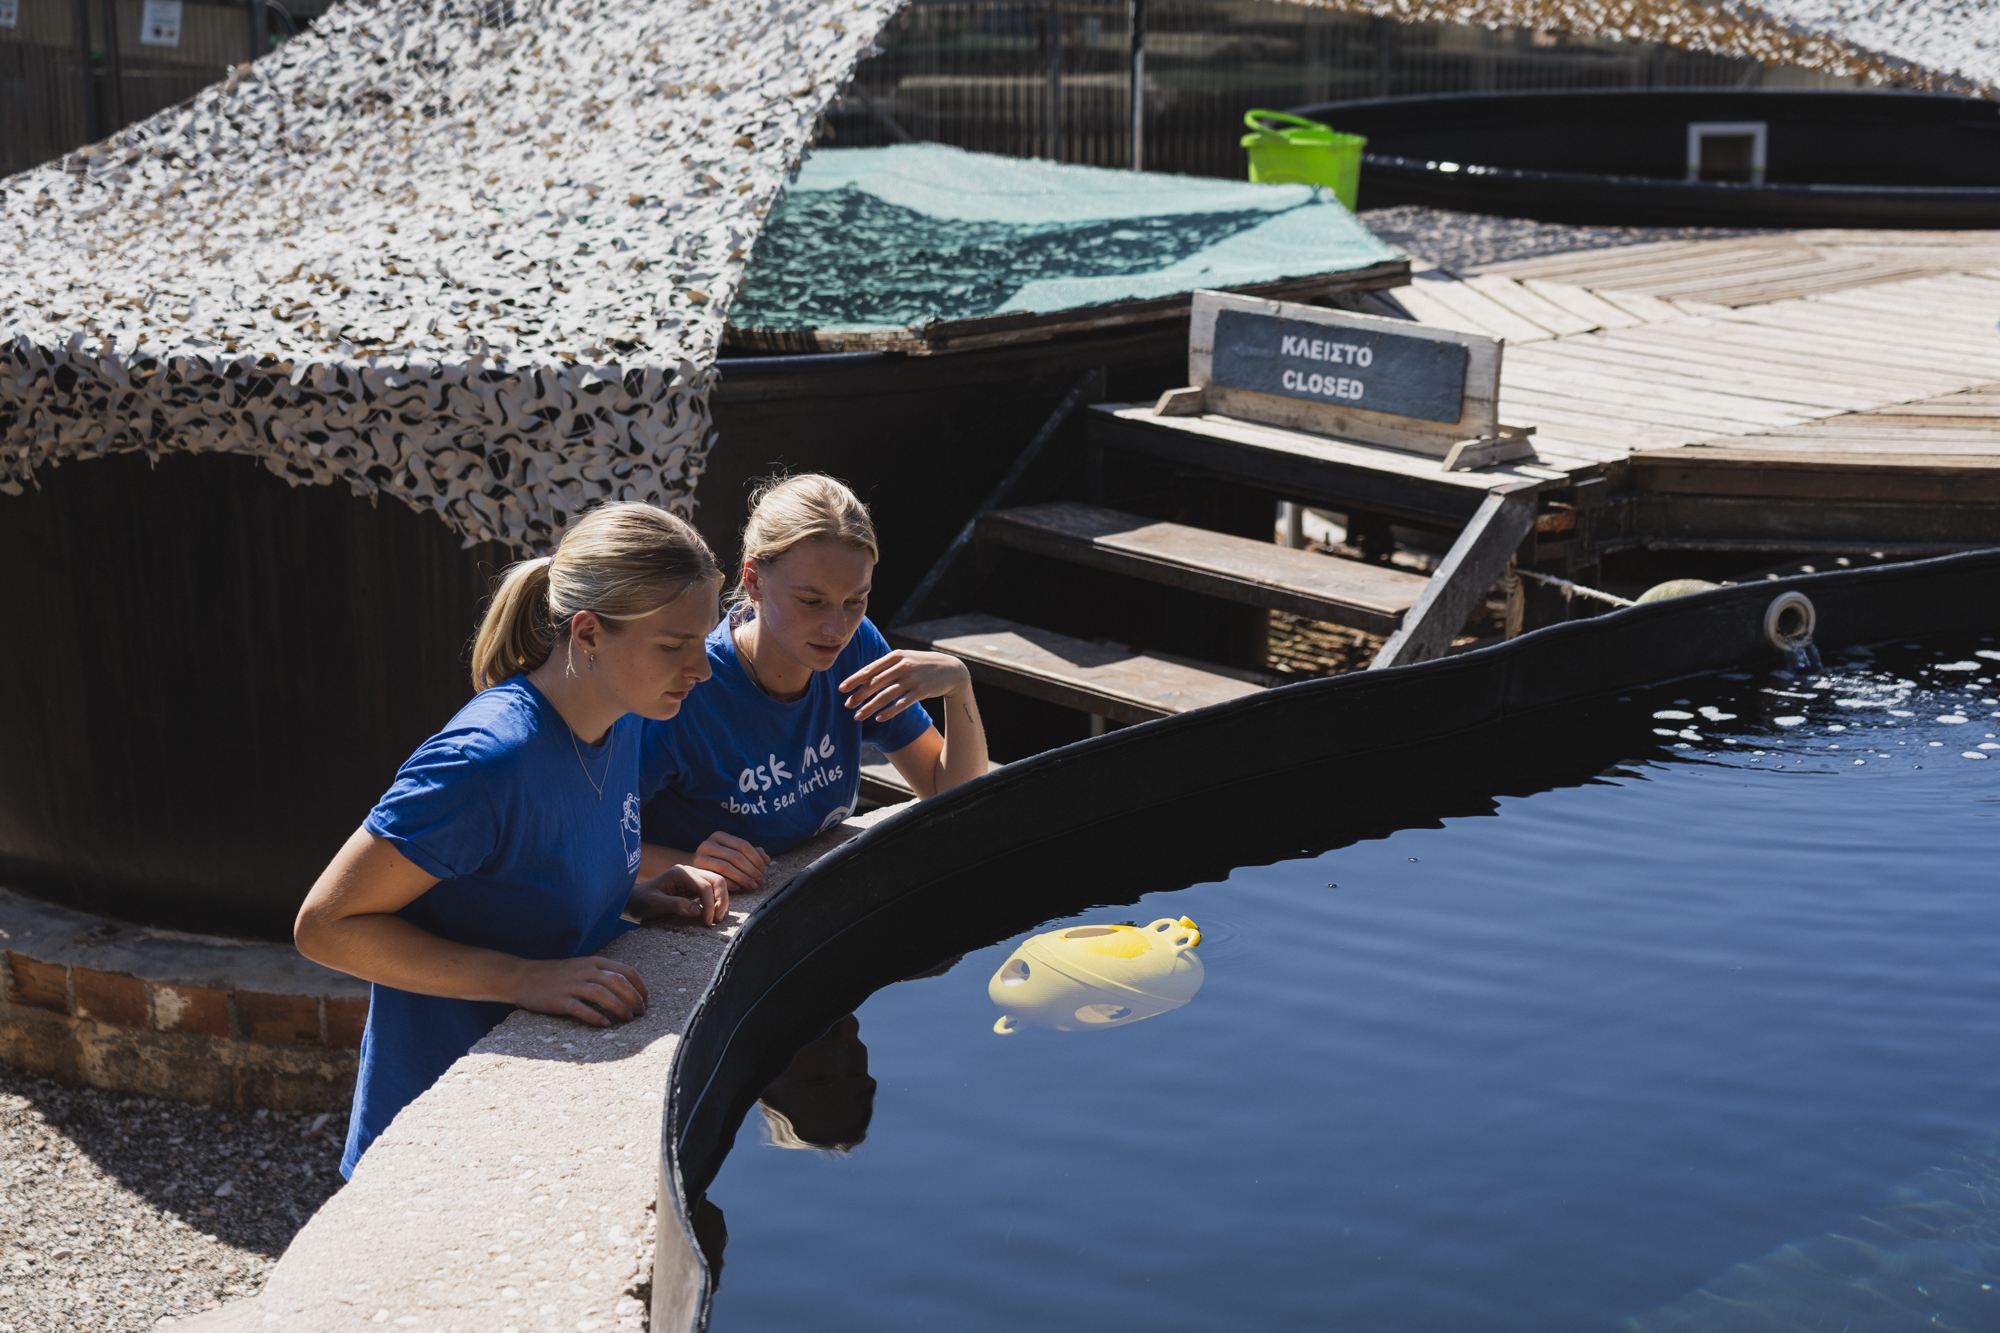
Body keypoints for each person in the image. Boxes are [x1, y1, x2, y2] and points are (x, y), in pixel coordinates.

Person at [294, 502, 730, 1179]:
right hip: (436, 1140)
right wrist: (522, 978)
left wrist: (635, 894)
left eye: (703, 637)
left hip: (540, 1114)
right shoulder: (483, 762)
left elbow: (525, 880)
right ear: (588, 632)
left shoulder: (624, 719)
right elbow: (325, 927)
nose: (700, 667)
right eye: (674, 644)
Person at [639, 474, 988, 891]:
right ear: (754, 581)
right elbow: (585, 843)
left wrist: (959, 686)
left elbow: (953, 800)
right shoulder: (689, 685)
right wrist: (687, 863)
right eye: (811, 601)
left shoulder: (857, 648)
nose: (836, 628)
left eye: (855, 600)